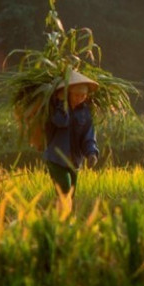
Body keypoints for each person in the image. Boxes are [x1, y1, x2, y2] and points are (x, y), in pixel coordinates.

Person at [42, 70, 101, 211]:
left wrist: (91, 153)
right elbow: (61, 122)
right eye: (76, 95)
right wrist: (62, 103)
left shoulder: (85, 113)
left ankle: (63, 219)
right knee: (65, 189)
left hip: (75, 161)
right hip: (56, 159)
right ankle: (62, 218)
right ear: (68, 94)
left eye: (83, 95)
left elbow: (88, 136)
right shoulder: (56, 109)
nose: (79, 98)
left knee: (71, 194)